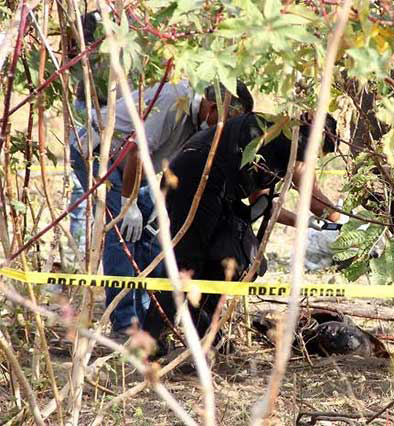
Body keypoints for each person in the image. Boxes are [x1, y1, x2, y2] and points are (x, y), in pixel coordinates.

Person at [142, 111, 342, 352]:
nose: (314, 160)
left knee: (225, 259)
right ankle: (151, 343)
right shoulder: (290, 137)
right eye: (318, 153)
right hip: (198, 178)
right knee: (187, 261)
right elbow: (316, 201)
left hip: (215, 188)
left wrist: (303, 222)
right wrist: (341, 220)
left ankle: (208, 337)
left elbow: (263, 203)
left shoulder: (274, 143)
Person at [70, 79, 254, 338]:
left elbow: (175, 164)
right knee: (121, 234)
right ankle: (125, 324)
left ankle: (147, 317)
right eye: (229, 122)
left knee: (153, 240)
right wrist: (129, 204)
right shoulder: (173, 102)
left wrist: (163, 204)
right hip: (99, 154)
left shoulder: (198, 124)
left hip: (136, 171)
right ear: (212, 108)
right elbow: (136, 152)